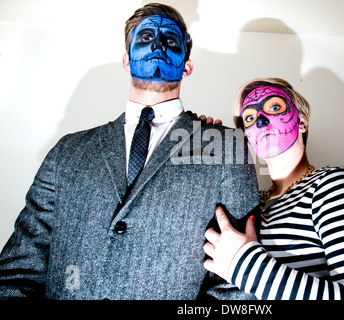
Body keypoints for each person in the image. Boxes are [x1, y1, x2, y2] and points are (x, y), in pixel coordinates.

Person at [0, 3, 259, 299]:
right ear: (126, 61)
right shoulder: (66, 153)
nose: (158, 45)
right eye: (146, 38)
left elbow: (237, 282)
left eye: (171, 41)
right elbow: (19, 269)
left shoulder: (228, 146)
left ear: (186, 67)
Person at [203, 78, 344, 300]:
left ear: (301, 122)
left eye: (275, 107)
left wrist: (248, 266)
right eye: (249, 118)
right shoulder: (251, 201)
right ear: (248, 138)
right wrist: (200, 144)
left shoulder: (331, 186)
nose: (260, 122)